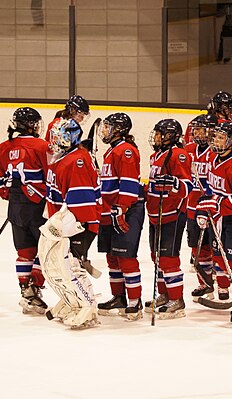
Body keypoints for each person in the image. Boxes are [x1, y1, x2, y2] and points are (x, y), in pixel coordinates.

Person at [40, 118, 101, 329]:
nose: (55, 140)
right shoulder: (63, 158)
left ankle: (88, 306)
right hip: (66, 223)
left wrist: (73, 228)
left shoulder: (77, 160)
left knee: (73, 267)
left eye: (60, 136)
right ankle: (73, 301)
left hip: (78, 224)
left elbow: (82, 202)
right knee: (62, 266)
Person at [0, 107, 49, 315]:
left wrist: (8, 195)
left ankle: (25, 290)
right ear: (32, 126)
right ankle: (35, 287)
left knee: (24, 252)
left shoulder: (3, 147)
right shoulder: (42, 146)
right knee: (45, 250)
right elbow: (51, 177)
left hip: (15, 206)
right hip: (38, 207)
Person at [195, 122, 232, 327]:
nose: (216, 141)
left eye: (221, 138)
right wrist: (204, 209)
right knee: (219, 258)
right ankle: (226, 290)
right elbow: (211, 190)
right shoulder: (213, 158)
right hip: (217, 220)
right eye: (215, 137)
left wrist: (218, 204)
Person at [94, 113, 145, 321]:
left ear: (120, 129)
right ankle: (119, 297)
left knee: (126, 257)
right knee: (112, 257)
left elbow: (129, 184)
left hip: (126, 210)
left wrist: (122, 208)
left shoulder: (126, 151)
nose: (105, 131)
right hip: (110, 210)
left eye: (109, 127)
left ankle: (135, 301)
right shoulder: (112, 150)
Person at [145, 119, 193, 319]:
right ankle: (164, 294)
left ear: (170, 136)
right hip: (155, 214)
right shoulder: (156, 155)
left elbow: (187, 186)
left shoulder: (178, 155)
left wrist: (174, 184)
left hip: (172, 214)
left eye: (159, 134)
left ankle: (177, 299)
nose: (155, 137)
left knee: (168, 258)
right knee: (156, 257)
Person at [184, 114, 218, 302]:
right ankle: (205, 283)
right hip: (192, 206)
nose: (196, 133)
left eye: (200, 129)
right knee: (197, 248)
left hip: (213, 209)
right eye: (194, 129)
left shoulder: (216, 152)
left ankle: (222, 285)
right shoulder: (188, 149)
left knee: (217, 249)